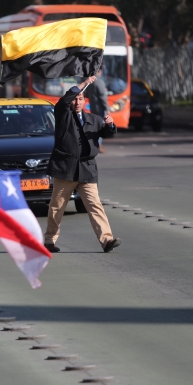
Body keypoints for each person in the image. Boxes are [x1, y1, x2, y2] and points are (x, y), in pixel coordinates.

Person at [44, 76, 121, 253]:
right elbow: (64, 100)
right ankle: (49, 240)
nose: (77, 102)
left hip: (87, 170)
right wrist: (84, 83)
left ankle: (107, 240)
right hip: (65, 169)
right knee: (57, 206)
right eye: (75, 99)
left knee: (95, 205)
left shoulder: (93, 119)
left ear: (85, 101)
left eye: (80, 99)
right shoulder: (63, 115)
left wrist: (110, 125)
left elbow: (107, 133)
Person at [85, 68, 109, 153]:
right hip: (100, 108)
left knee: (95, 126)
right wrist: (107, 109)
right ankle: (98, 145)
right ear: (99, 71)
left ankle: (96, 144)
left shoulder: (90, 82)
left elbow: (86, 94)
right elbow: (103, 97)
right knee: (101, 126)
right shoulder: (100, 82)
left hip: (93, 107)